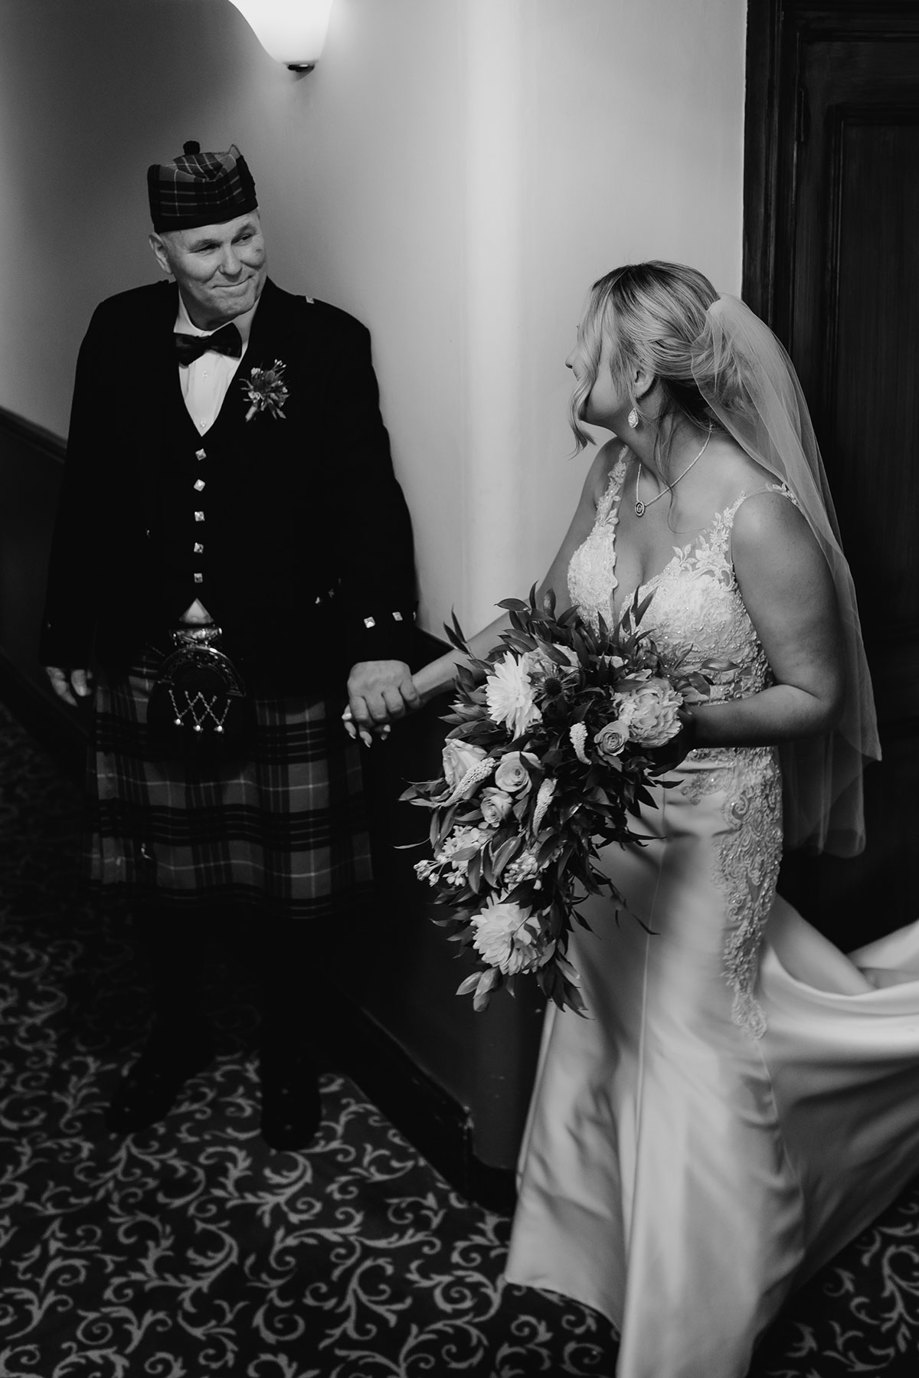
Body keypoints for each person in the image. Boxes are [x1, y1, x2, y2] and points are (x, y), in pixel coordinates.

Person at [358, 262, 919, 1376]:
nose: (571, 361)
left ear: (647, 374)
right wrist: (409, 687)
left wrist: (672, 719)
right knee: (608, 1029)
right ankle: (599, 1248)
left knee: (700, 1048)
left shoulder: (758, 517)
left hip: (714, 825)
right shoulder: (614, 474)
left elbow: (813, 696)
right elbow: (541, 614)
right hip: (601, 815)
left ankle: (698, 1313)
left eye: (587, 344)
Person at [41, 141, 418, 1150]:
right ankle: (175, 1031)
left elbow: (367, 501)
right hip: (143, 653)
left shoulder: (326, 342)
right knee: (159, 873)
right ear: (159, 249)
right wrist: (65, 628)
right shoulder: (115, 333)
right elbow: (86, 496)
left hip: (284, 656)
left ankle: (289, 1050)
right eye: (205, 245)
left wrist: (380, 639)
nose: (235, 260)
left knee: (289, 894)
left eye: (246, 234)